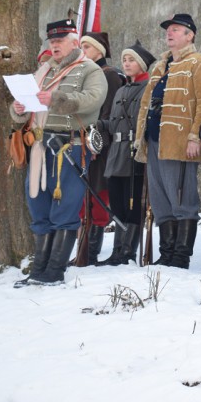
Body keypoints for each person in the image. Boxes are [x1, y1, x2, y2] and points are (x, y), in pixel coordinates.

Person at [12, 19, 108, 286]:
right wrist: (18, 110)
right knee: (38, 206)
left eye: (59, 40)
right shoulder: (43, 71)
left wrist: (56, 99)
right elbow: (22, 108)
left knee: (65, 208)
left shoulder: (89, 70)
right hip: (39, 146)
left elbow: (93, 101)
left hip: (70, 147)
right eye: (51, 41)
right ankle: (39, 270)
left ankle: (55, 271)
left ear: (74, 42)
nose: (54, 45)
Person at [134, 13, 201, 269]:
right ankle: (166, 252)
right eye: (169, 29)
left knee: (182, 200)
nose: (170, 33)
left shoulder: (199, 63)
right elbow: (146, 104)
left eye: (177, 29)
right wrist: (140, 138)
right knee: (160, 200)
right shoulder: (159, 66)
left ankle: (180, 256)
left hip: (180, 142)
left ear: (190, 35)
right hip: (155, 140)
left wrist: (195, 136)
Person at [96, 41, 155, 266]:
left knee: (133, 205)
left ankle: (128, 252)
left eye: (131, 60)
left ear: (141, 65)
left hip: (135, 153)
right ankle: (117, 251)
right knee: (118, 204)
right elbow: (113, 123)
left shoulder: (147, 88)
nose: (126, 64)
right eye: (124, 60)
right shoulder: (121, 89)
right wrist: (99, 125)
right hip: (116, 153)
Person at [79, 31, 126, 265]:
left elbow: (108, 115)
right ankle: (83, 251)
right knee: (84, 198)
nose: (82, 51)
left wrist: (95, 142)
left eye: (86, 47)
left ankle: (89, 253)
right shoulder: (88, 75)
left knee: (97, 197)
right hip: (85, 144)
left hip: (100, 147)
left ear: (100, 50)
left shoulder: (109, 76)